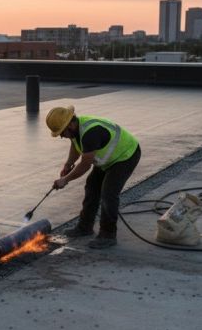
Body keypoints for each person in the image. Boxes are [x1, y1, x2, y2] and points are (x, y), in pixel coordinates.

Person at [45, 105, 141, 249]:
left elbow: (85, 165)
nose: (61, 136)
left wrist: (65, 180)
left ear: (70, 124)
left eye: (62, 132)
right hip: (109, 160)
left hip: (125, 156)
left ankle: (108, 235)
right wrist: (68, 164)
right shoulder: (76, 130)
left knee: (108, 194)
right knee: (92, 186)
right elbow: (76, 145)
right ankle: (85, 227)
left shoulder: (91, 133)